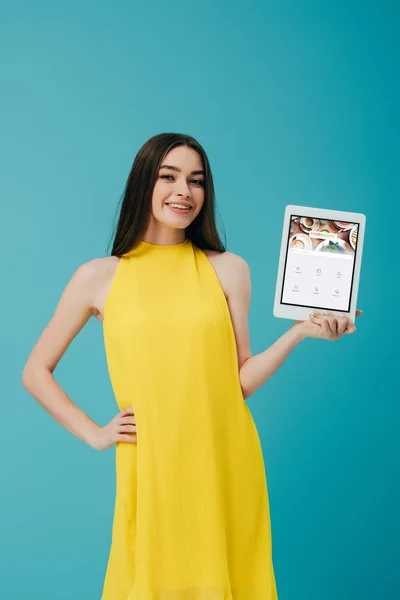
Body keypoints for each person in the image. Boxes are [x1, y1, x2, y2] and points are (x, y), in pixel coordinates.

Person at [22, 132, 362, 599]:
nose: (184, 190)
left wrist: (299, 332)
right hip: (153, 464)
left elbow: (237, 380)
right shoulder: (99, 277)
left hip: (223, 457)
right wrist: (94, 433)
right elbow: (35, 371)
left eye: (196, 180)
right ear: (144, 182)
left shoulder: (229, 269)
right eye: (169, 176)